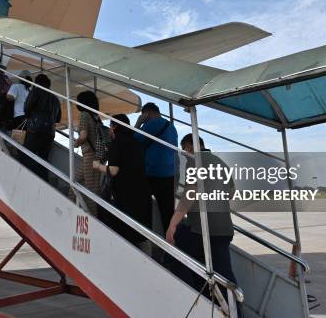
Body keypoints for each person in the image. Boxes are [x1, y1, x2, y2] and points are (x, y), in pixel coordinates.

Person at [166, 134, 238, 304]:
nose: (184, 153)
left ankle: (190, 300)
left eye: (184, 149)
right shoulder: (220, 162)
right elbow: (231, 192)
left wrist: (172, 224)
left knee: (177, 250)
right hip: (224, 228)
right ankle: (231, 308)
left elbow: (189, 195)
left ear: (190, 146)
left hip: (204, 230)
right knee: (224, 275)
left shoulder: (195, 161)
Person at [93, 114, 152, 246]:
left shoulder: (117, 143)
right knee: (137, 233)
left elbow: (113, 170)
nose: (109, 129)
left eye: (110, 126)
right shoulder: (136, 142)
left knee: (124, 232)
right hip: (141, 190)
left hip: (125, 193)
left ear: (115, 127)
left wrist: (98, 166)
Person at [134, 102, 178, 232]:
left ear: (146, 113)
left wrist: (138, 122)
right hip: (170, 174)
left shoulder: (151, 124)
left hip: (152, 174)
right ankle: (172, 245)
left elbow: (134, 139)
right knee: (168, 213)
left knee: (142, 207)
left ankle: (144, 238)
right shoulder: (171, 127)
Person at [22, 74, 61, 180]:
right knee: (44, 160)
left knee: (28, 155)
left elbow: (27, 108)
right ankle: (44, 181)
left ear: (37, 82)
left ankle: (29, 179)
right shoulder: (55, 98)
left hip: (35, 128)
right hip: (50, 132)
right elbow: (58, 118)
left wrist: (30, 116)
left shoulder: (36, 91)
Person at [73, 91, 103, 216]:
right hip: (97, 156)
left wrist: (76, 143)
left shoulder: (85, 114)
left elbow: (83, 135)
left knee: (91, 190)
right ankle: (71, 208)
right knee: (74, 182)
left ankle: (94, 221)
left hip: (90, 156)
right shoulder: (96, 117)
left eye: (78, 100)